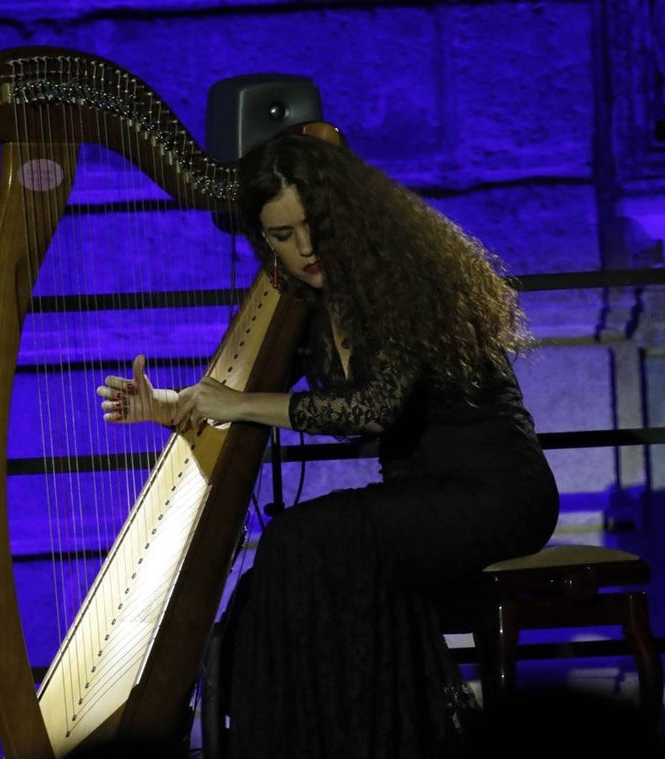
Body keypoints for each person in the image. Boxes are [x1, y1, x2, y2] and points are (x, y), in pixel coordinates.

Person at [96, 133, 560, 759]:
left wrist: (230, 404)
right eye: (282, 236)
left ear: (345, 212)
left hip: (498, 494)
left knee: (303, 542)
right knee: (280, 572)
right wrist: (178, 406)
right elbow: (255, 392)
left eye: (312, 225)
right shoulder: (309, 304)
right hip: (419, 497)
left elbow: (369, 409)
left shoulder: (403, 277)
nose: (304, 247)